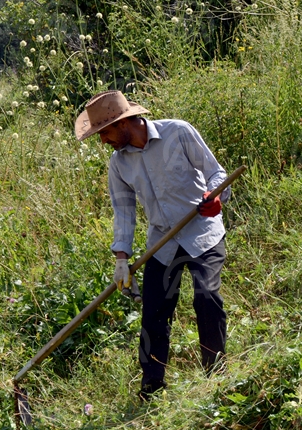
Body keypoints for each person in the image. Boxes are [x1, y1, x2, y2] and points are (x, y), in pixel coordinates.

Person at [75, 90, 231, 401]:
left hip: (202, 231)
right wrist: (122, 256)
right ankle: (151, 389)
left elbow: (216, 173)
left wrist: (215, 197)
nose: (103, 141)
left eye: (104, 133)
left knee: (206, 297)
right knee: (154, 315)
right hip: (163, 242)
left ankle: (217, 379)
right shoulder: (119, 165)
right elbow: (124, 211)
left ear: (123, 124)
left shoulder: (179, 132)